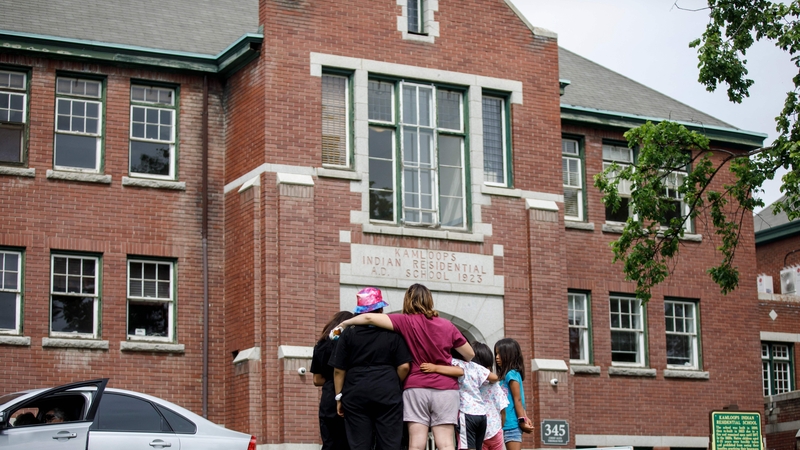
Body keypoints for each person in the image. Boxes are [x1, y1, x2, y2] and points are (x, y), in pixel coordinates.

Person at [337, 283, 475, 450]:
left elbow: (368, 318)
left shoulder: (404, 321)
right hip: (446, 388)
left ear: (407, 301)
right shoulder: (447, 325)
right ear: (429, 300)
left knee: (416, 443)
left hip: (415, 387)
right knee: (446, 443)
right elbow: (469, 354)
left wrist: (344, 324)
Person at [330, 287, 412, 450]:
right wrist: (393, 382)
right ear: (381, 308)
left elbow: (339, 369)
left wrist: (339, 396)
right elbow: (404, 366)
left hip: (355, 391)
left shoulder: (348, 334)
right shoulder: (393, 333)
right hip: (387, 391)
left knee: (359, 443)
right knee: (389, 443)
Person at [420, 341, 499, 450]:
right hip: (481, 414)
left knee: (466, 447)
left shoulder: (453, 362)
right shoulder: (475, 366)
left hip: (466, 413)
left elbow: (459, 371)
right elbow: (494, 377)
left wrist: (434, 368)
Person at [311, 310, 355, 450]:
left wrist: (330, 378)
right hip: (346, 396)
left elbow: (317, 379)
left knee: (329, 443)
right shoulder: (348, 345)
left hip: (327, 400)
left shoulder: (320, 345)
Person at [494, 338, 532, 450]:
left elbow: (518, 400)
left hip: (512, 425)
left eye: (500, 353)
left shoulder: (511, 374)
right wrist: (525, 417)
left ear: (509, 354)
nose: (496, 357)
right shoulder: (503, 376)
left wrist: (522, 421)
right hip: (502, 425)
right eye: (496, 353)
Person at [473, 342, 508, 450]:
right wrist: (500, 427)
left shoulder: (470, 385)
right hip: (495, 430)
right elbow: (503, 411)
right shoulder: (494, 386)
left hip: (477, 431)